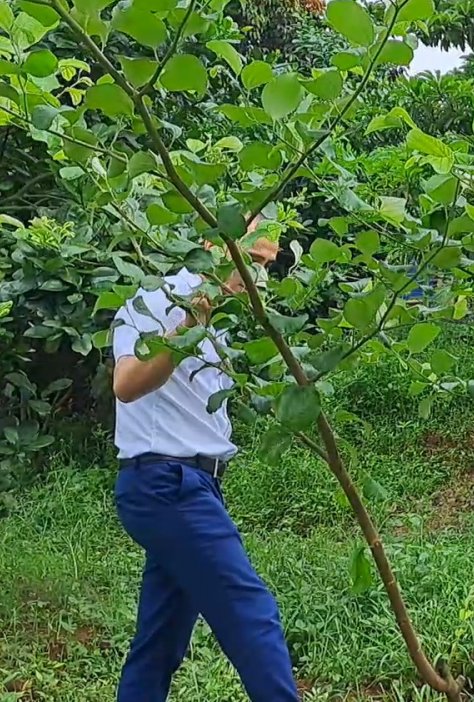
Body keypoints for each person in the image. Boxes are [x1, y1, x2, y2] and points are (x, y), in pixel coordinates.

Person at [108, 220, 298, 701]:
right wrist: (189, 325)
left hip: (195, 486)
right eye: (248, 261)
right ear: (215, 245)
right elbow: (126, 384)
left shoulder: (228, 318)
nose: (254, 276)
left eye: (263, 266)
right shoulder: (156, 299)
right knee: (251, 612)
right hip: (165, 484)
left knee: (160, 641)